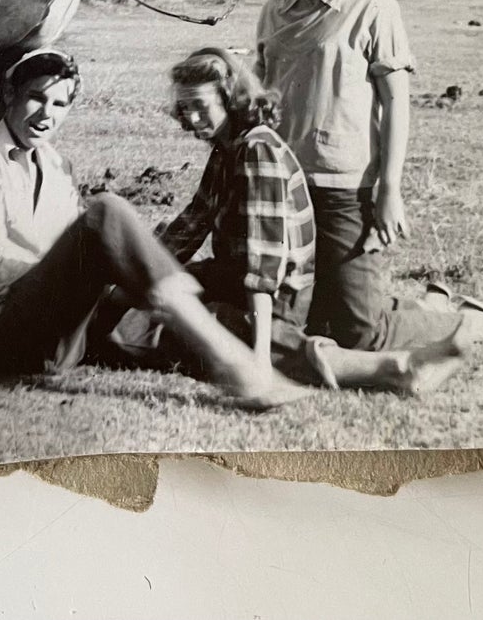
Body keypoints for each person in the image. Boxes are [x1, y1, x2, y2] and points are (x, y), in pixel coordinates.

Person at [0, 50, 304, 409]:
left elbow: (88, 252)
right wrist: (79, 270)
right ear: (9, 94)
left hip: (65, 339)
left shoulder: (58, 164)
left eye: (60, 104)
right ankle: (239, 368)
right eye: (36, 98)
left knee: (187, 325)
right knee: (105, 213)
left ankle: (321, 365)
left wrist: (111, 272)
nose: (47, 115)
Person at [157, 47, 466, 393]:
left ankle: (399, 366)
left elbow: (264, 267)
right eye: (186, 108)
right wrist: (139, 267)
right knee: (171, 296)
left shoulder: (257, 152)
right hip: (235, 273)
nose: (193, 118)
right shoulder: (226, 147)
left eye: (201, 106)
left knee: (207, 332)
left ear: (230, 99)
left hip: (279, 296)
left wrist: (259, 358)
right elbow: (193, 222)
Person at [256, 0, 464, 358]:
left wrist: (389, 190)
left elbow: (396, 103)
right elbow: (264, 96)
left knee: (360, 334)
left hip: (346, 190)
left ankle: (453, 318)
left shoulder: (373, 6)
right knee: (289, 323)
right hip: (288, 188)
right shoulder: (273, 11)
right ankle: (360, 298)